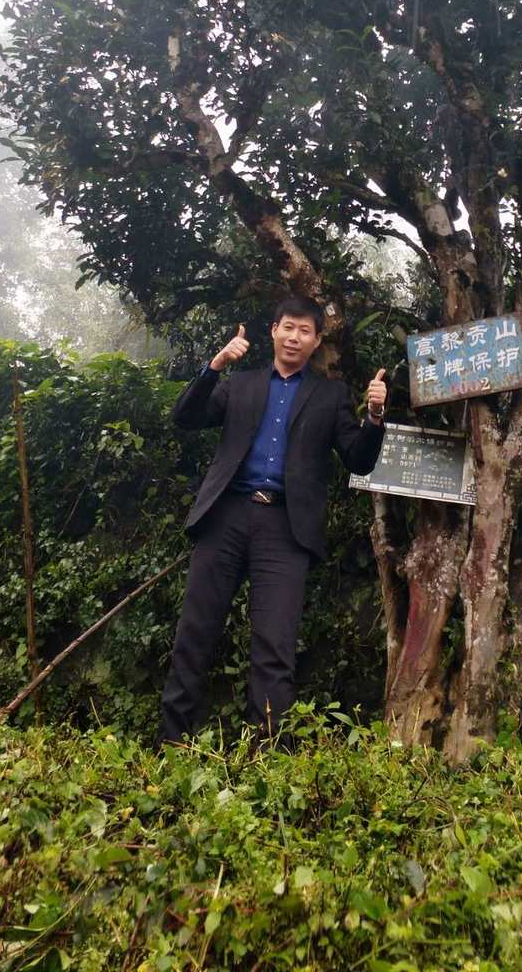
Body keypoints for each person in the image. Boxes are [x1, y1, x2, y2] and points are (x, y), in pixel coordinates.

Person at [158, 295, 387, 743]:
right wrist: (216, 364)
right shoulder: (238, 384)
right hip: (225, 517)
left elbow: (359, 461)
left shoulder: (330, 395)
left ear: (317, 340)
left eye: (305, 331)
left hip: (285, 528)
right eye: (288, 327)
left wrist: (375, 417)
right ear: (273, 330)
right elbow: (185, 418)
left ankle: (264, 757)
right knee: (194, 634)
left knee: (274, 648)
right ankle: (170, 744)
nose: (294, 337)